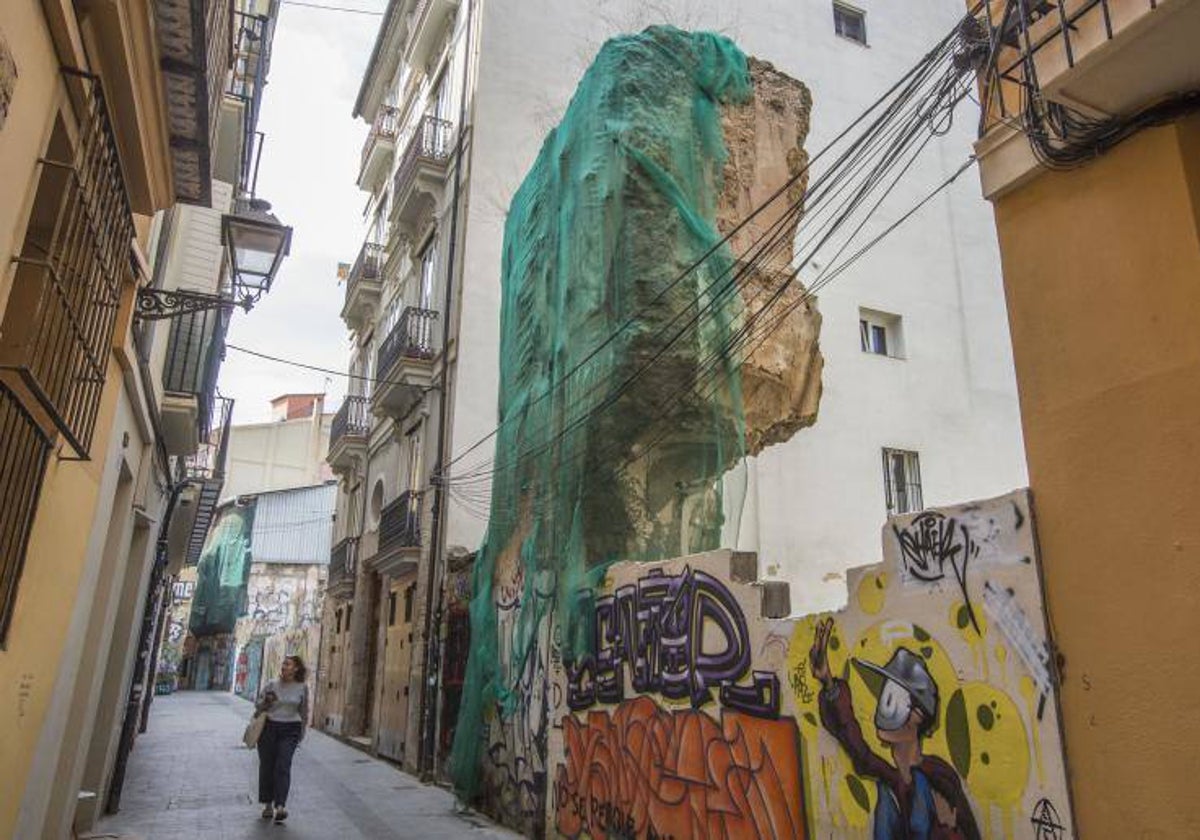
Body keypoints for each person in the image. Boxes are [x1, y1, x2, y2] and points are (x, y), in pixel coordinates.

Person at [809, 617, 980, 840]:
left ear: (917, 716)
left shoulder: (939, 780)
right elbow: (857, 748)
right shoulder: (892, 780)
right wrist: (829, 684)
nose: (883, 709)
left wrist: (947, 830)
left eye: (893, 700)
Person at [256, 655, 308, 824]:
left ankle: (281, 806)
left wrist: (302, 732)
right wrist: (267, 702)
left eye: (288, 664)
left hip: (290, 730)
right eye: (283, 664)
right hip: (269, 728)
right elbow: (258, 705)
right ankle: (268, 805)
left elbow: (304, 711)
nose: (284, 666)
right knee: (267, 766)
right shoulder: (272, 684)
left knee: (283, 765)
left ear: (296, 669)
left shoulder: (302, 687)